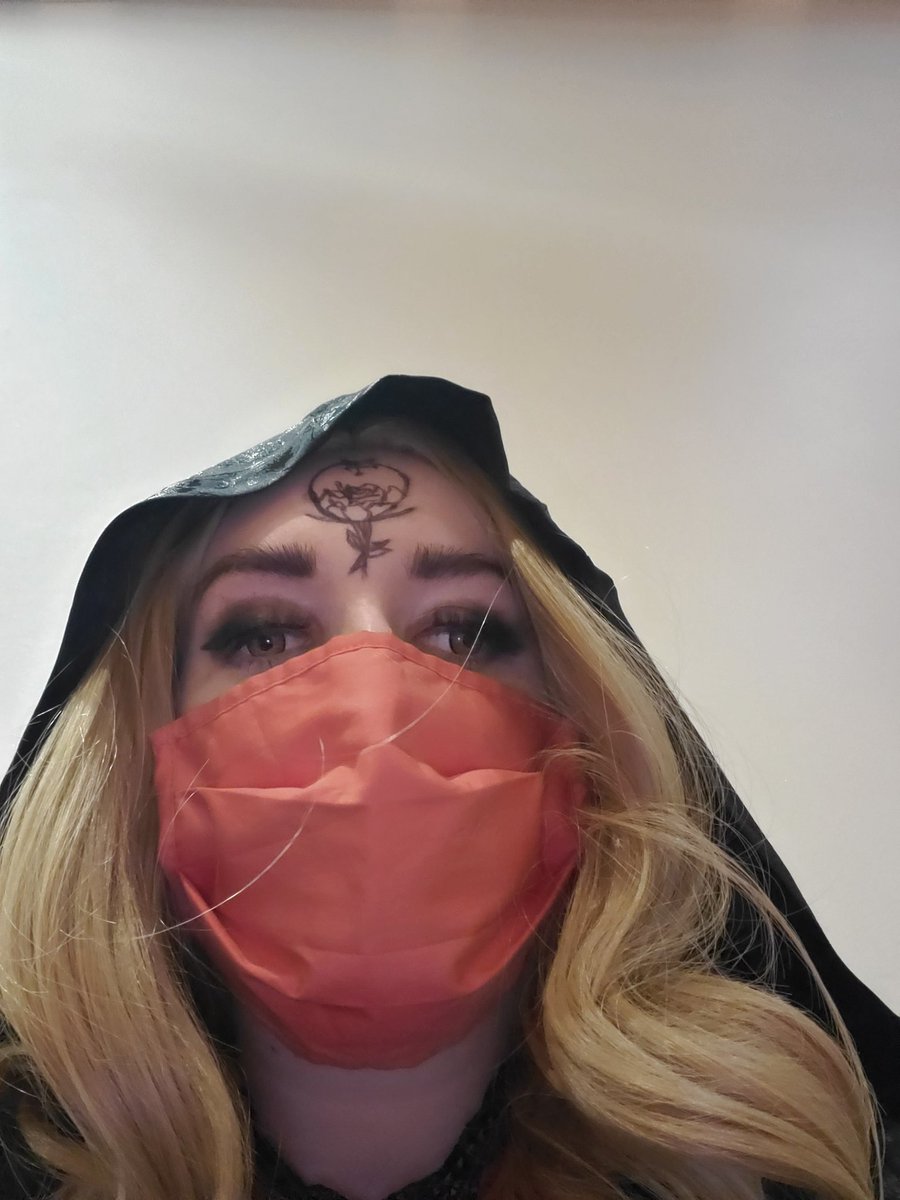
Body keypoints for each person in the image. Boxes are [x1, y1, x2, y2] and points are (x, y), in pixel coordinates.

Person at [0, 374, 896, 1200]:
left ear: (585, 739)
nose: (378, 711)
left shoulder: (778, 1164)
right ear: (138, 751)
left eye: (463, 631)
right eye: (266, 634)